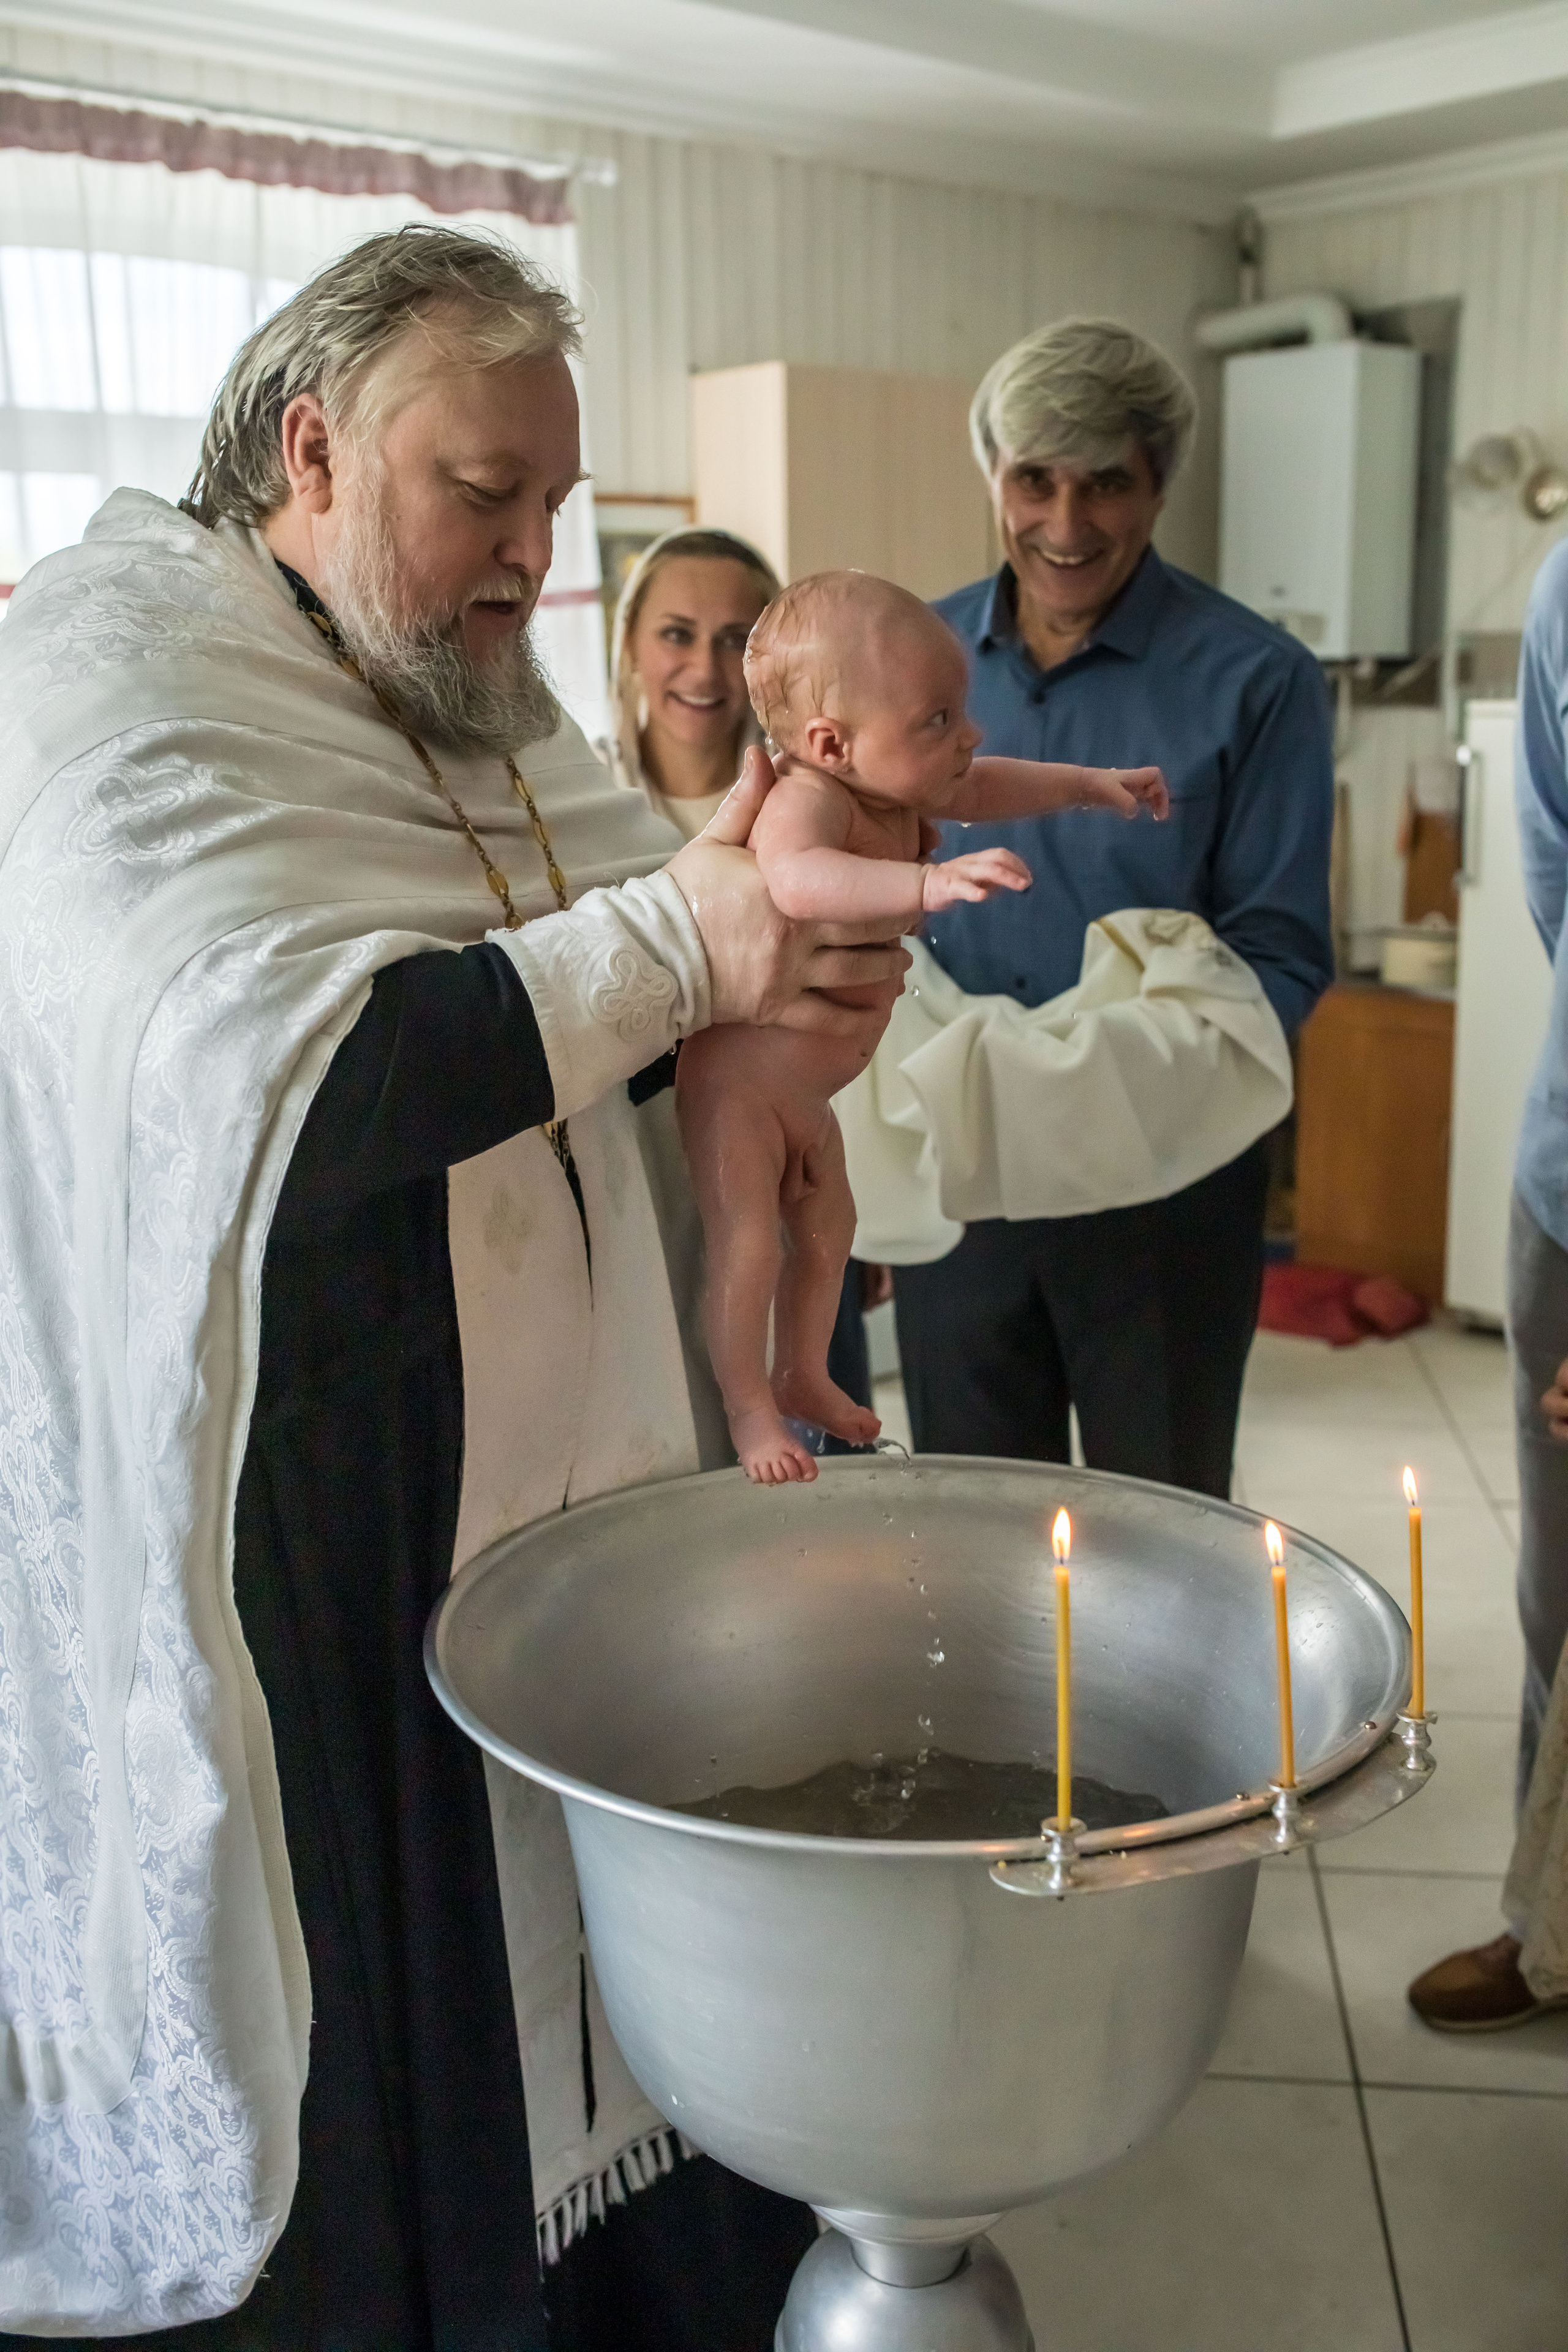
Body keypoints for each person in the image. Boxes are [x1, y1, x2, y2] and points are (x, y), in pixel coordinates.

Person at [0, 226, 908, 2347]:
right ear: (310, 452)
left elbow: (626, 962)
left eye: (555, 505)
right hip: (316, 1523)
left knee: (594, 1997)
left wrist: (778, 1007)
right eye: (480, 494)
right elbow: (298, 1089)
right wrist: (693, 953)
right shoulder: (115, 682)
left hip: (557, 1486)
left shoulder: (464, 704)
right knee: (400, 2043)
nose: (529, 559)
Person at [888, 315, 1335, 1499]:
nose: (1067, 526)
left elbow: (1281, 955)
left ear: (1161, 484)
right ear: (994, 474)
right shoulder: (916, 655)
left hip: (1167, 1183)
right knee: (977, 1526)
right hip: (966, 1168)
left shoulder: (1260, 681)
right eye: (1034, 480)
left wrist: (1113, 1083)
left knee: (1168, 1525)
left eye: (1107, 485)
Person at [679, 568, 1166, 1482]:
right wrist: (926, 884)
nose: (968, 736)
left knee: (828, 1234)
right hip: (741, 1093)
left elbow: (989, 785)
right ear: (833, 742)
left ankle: (804, 1371)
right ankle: (751, 1412)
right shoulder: (808, 801)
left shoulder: (893, 788)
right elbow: (796, 882)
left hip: (808, 1095)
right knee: (749, 1246)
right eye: (937, 720)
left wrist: (1092, 786)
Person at [1408, 536, 1568, 2030]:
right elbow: (1552, 876)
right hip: (1563, 1181)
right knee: (1558, 1600)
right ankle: (1550, 1925)